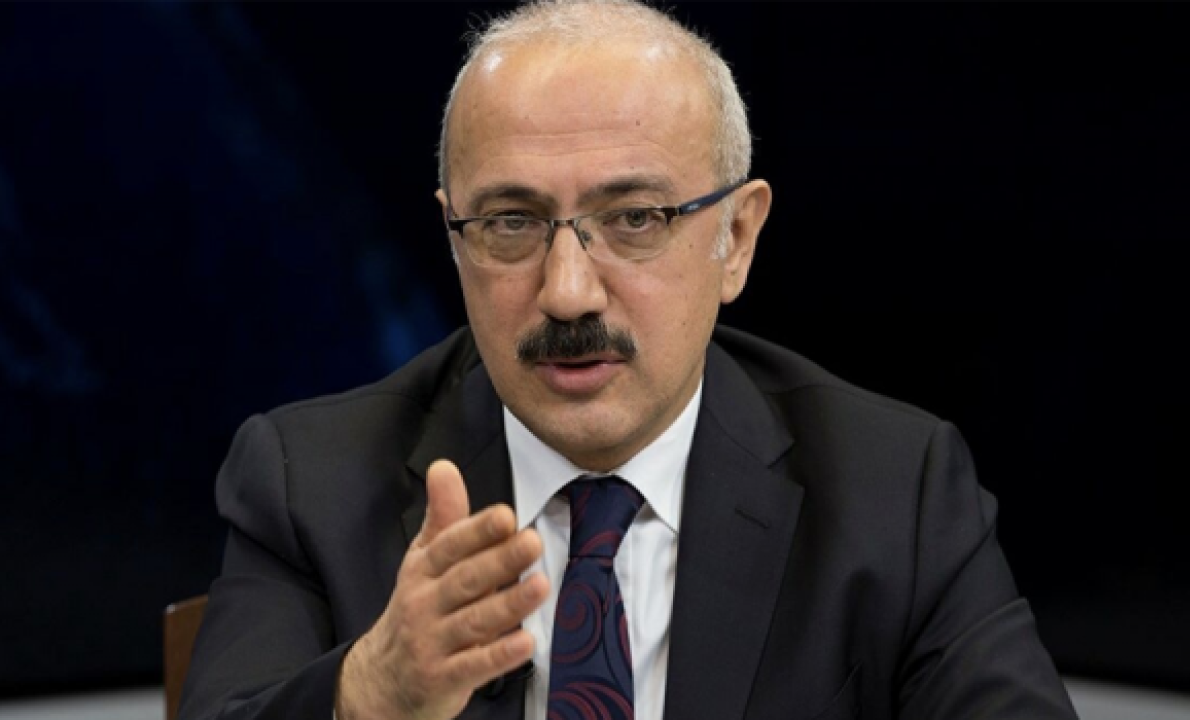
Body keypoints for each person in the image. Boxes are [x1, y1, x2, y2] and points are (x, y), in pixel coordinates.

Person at [179, 1, 1078, 719]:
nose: (568, 292)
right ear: (454, 236)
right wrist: (368, 696)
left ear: (737, 238)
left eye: (636, 219)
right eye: (511, 223)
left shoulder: (896, 491)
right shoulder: (309, 484)